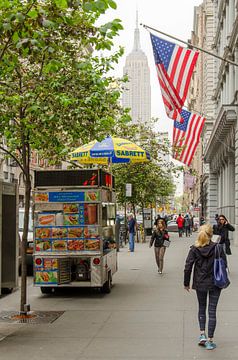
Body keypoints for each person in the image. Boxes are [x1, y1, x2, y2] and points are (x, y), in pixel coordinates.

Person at [184, 224, 227, 350]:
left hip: (200, 283)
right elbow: (224, 265)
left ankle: (202, 334)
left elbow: (188, 267)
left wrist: (186, 283)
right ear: (211, 234)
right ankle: (210, 340)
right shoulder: (218, 248)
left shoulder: (194, 249)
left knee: (202, 307)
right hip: (215, 283)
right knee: (212, 311)